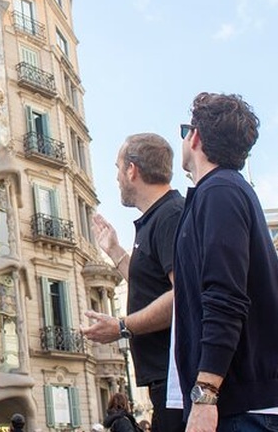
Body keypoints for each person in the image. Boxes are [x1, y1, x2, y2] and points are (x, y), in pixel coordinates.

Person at [172, 92, 278, 432]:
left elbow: (225, 297)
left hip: (237, 407)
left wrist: (206, 394)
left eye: (185, 129)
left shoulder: (220, 193)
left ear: (195, 136)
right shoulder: (222, 192)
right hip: (239, 405)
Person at [80, 133, 185, 432]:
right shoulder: (157, 218)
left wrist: (121, 327)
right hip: (165, 378)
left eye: (117, 168)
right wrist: (115, 251)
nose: (115, 178)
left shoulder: (170, 216)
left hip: (176, 376)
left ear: (132, 170)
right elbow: (152, 287)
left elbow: (184, 296)